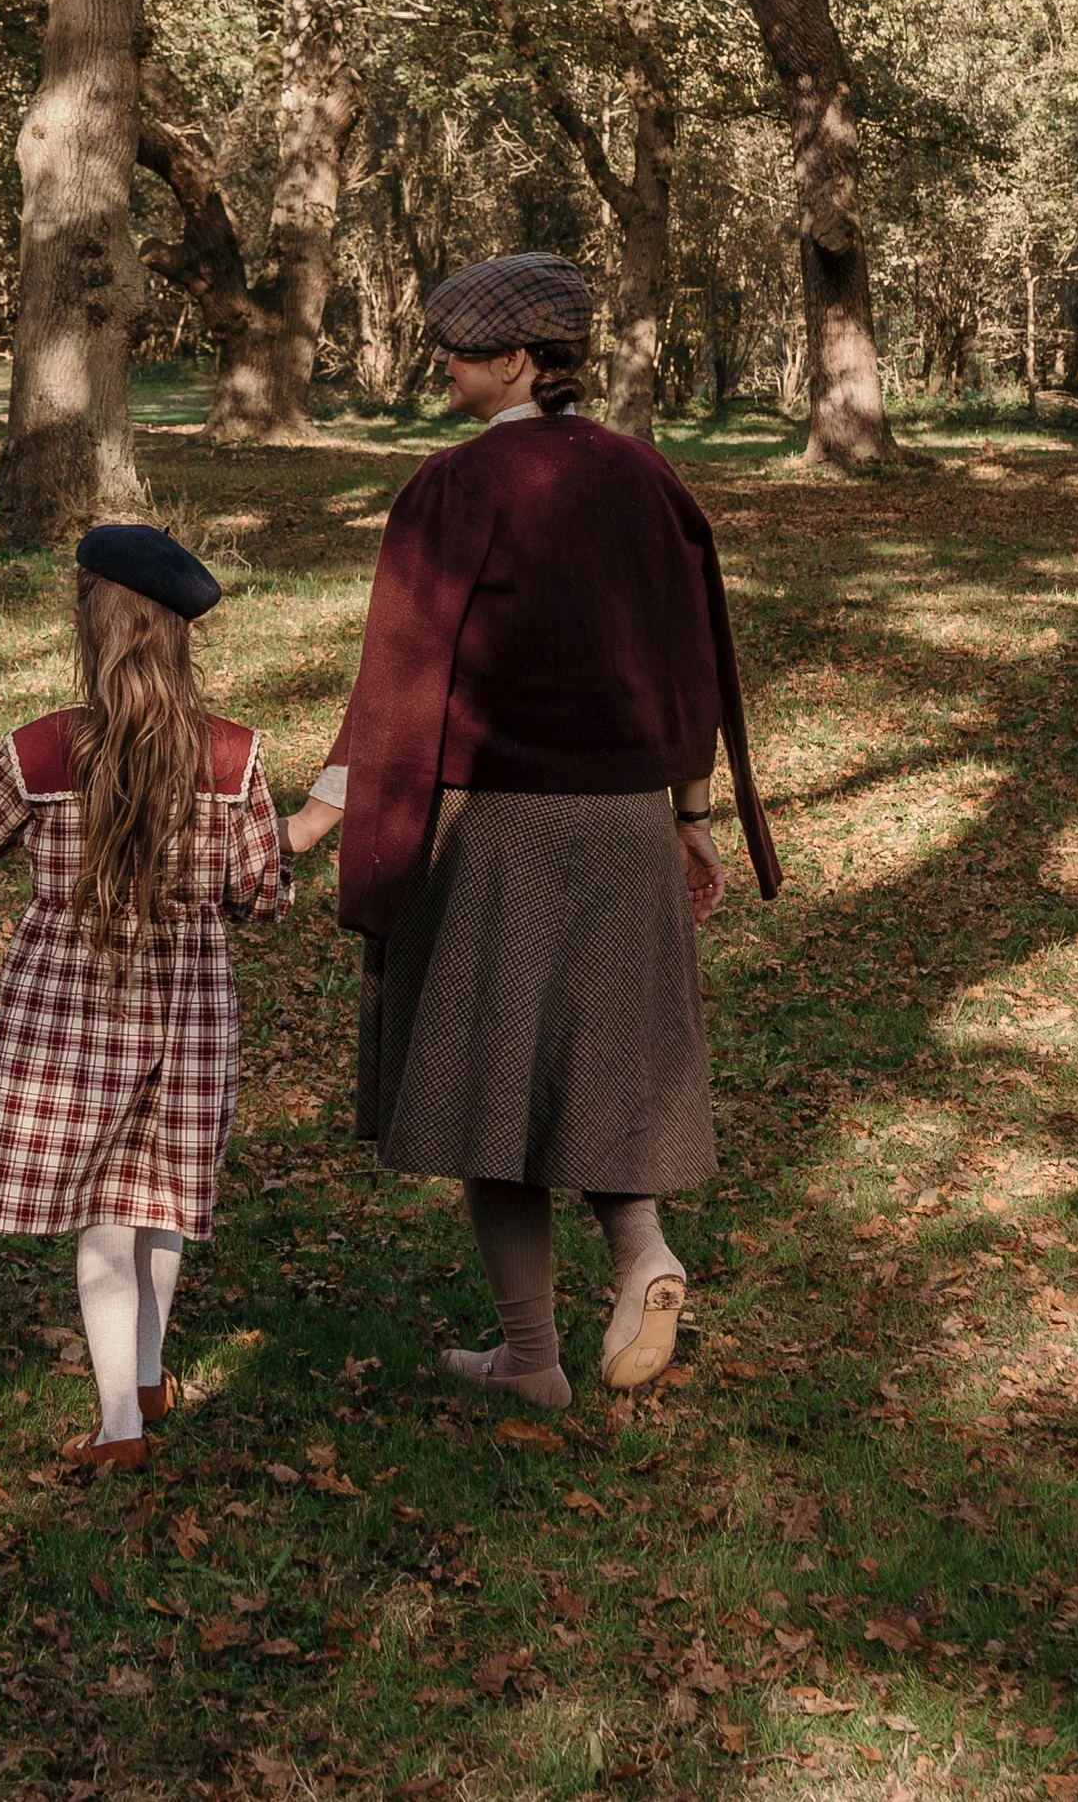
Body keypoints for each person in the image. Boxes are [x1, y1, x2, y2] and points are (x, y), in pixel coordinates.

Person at [289, 251, 780, 1412]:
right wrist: (692, 814)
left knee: (487, 1086)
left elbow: (400, 676)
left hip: (495, 825)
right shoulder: (646, 477)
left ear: (519, 359)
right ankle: (640, 1254)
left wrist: (328, 818)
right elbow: (689, 657)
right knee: (598, 1063)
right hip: (621, 822)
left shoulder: (456, 487)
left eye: (459, 351)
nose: (444, 368)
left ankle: (530, 1356)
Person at [0, 521, 290, 1473]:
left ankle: (120, 1430)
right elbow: (262, 895)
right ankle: (144, 1377)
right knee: (161, 1196)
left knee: (105, 1207)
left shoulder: (43, 751)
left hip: (73, 1008)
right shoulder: (232, 758)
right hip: (190, 1006)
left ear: (90, 625)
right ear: (178, 636)